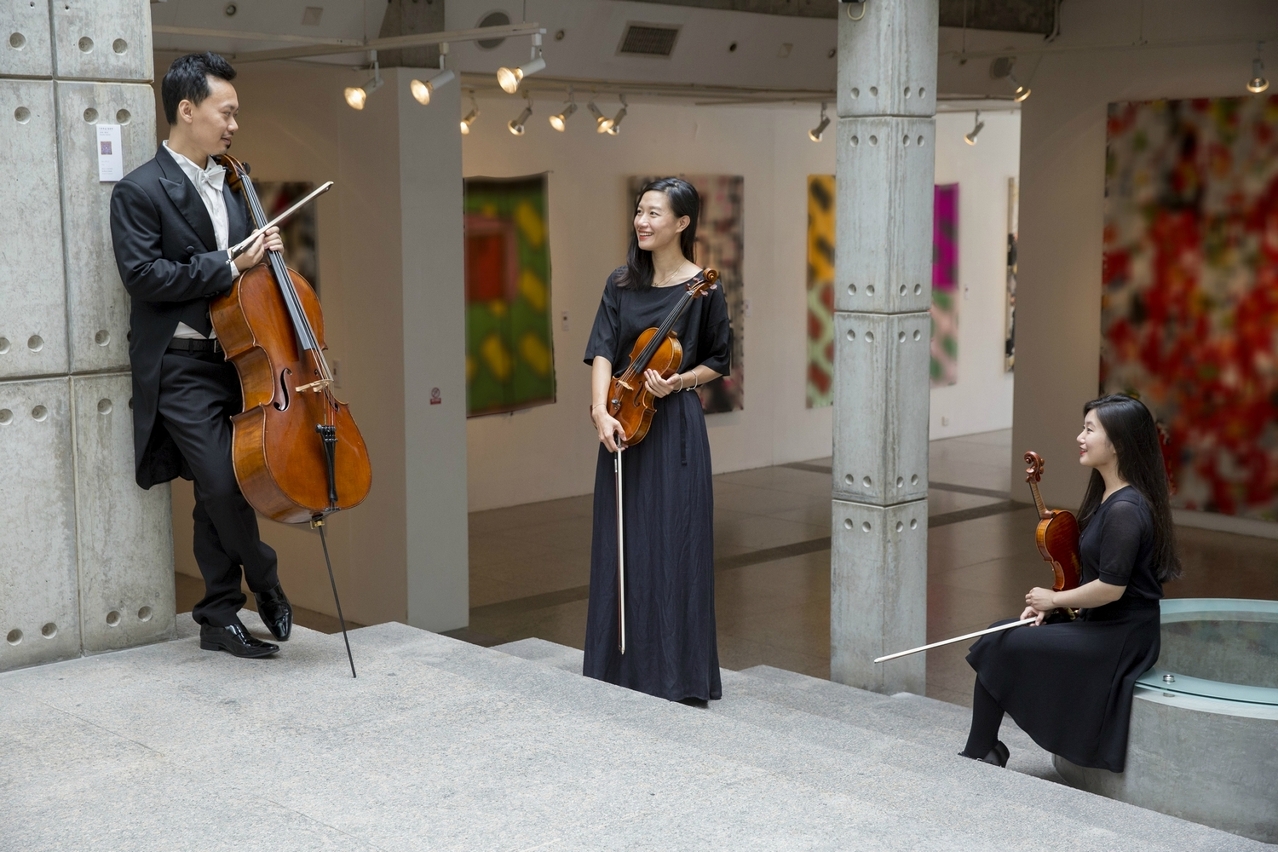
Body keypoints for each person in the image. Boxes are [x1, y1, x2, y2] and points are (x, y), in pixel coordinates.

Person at [109, 52, 292, 659]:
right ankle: (263, 581)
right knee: (220, 480)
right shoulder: (138, 190)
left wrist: (264, 255)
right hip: (182, 364)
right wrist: (229, 263)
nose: (234, 124)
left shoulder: (237, 183)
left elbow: (252, 278)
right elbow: (144, 275)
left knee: (230, 482)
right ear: (187, 110)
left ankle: (217, 613)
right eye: (227, 111)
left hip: (240, 357)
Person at [961, 394, 1181, 771]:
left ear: (1120, 443)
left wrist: (1050, 599)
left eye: (1090, 429)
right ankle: (983, 747)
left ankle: (981, 750)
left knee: (1002, 643)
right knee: (1001, 634)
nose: (1080, 437)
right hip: (1103, 623)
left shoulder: (1127, 510)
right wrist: (1059, 602)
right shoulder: (1109, 496)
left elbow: (1112, 588)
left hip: (1120, 637)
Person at [581, 178, 731, 705]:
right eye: (639, 212)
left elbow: (718, 360)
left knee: (673, 546)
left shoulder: (704, 288)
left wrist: (679, 382)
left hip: (674, 429)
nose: (642, 222)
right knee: (622, 546)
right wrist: (601, 411)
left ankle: (677, 676)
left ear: (682, 224)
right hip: (623, 422)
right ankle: (617, 669)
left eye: (654, 214)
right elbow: (602, 349)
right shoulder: (620, 283)